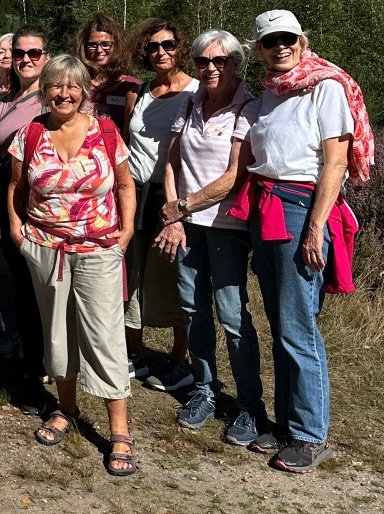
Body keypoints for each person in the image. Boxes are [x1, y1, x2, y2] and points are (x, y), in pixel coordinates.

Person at [162, 10, 372, 473]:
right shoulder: (276, 94)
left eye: (288, 39)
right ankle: (286, 424)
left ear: (302, 40)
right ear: (259, 48)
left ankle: (310, 435)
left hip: (301, 210)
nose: (280, 47)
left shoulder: (325, 87)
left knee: (298, 327)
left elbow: (334, 164)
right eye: (270, 41)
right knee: (282, 322)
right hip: (269, 208)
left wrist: (316, 227)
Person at [6, 55, 138, 476]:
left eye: (72, 87)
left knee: (104, 335)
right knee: (57, 333)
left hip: (98, 248)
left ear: (84, 92)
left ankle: (119, 429)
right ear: (44, 90)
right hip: (45, 247)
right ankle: (65, 408)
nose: (64, 94)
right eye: (55, 86)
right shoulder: (30, 133)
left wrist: (128, 230)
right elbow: (15, 186)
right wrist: (16, 230)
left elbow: (124, 184)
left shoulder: (106, 130)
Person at [151, 29, 264, 445]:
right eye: (203, 62)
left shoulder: (247, 108)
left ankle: (250, 405)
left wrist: (183, 206)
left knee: (233, 317)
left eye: (220, 61)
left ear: (235, 63)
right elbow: (171, 162)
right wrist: (174, 217)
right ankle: (204, 389)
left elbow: (234, 178)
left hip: (226, 229)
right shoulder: (190, 102)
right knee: (193, 309)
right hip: (187, 226)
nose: (211, 68)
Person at [122, 19, 198, 386]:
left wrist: (181, 207)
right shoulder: (140, 93)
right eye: (153, 46)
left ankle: (179, 358)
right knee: (132, 271)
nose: (161, 52)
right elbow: (127, 142)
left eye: (168, 45)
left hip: (176, 196)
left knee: (173, 273)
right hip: (135, 192)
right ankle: (134, 354)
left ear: (181, 48)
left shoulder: (197, 91)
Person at [0, 25, 51, 375]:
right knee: (15, 281)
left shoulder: (55, 99)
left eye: (33, 53)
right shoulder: (0, 104)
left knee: (42, 285)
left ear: (46, 57)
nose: (25, 59)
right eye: (20, 53)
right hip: (6, 204)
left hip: (44, 207)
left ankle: (46, 360)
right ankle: (29, 355)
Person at [74, 14, 140, 135]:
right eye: (92, 45)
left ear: (117, 46)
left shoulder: (132, 87)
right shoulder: (74, 82)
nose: (99, 50)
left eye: (105, 44)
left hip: (118, 152)